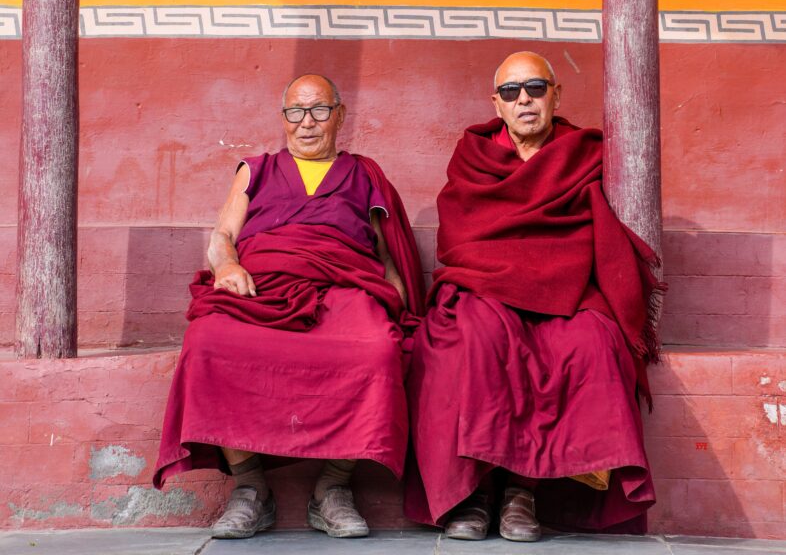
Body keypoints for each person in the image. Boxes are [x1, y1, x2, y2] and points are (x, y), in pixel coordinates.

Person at [405, 52, 663, 542]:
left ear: (556, 96)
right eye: (510, 92)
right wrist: (499, 278)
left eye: (536, 88)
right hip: (487, 281)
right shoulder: (474, 155)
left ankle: (523, 491)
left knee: (592, 342)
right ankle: (474, 491)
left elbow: (603, 233)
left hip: (564, 285)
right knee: (472, 337)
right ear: (497, 105)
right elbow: (460, 235)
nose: (524, 99)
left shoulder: (582, 151)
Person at [154, 73, 424, 540]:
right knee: (207, 341)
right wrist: (227, 267)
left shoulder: (364, 173)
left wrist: (395, 302)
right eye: (296, 112)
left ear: (339, 115)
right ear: (283, 119)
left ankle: (334, 487)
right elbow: (222, 237)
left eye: (319, 110)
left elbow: (385, 256)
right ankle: (250, 487)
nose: (307, 123)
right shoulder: (256, 169)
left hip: (342, 287)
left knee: (377, 350)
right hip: (264, 284)